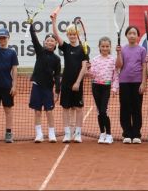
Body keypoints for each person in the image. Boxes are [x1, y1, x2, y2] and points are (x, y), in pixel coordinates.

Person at [51, 14, 88, 143]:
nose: (72, 36)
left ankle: (77, 133)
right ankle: (67, 133)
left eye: (74, 34)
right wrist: (54, 21)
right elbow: (55, 35)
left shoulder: (84, 49)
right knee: (65, 108)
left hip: (78, 84)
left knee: (78, 108)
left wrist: (78, 82)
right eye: (70, 34)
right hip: (65, 83)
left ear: (77, 35)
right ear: (68, 35)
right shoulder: (66, 47)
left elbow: (84, 68)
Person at [28, 25, 61, 143]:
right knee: (37, 111)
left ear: (55, 43)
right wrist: (31, 26)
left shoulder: (57, 59)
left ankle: (52, 134)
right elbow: (34, 39)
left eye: (52, 41)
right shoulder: (40, 52)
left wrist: (57, 91)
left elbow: (57, 75)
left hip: (48, 88)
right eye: (47, 40)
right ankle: (39, 134)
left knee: (49, 111)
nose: (50, 42)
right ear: (44, 43)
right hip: (37, 86)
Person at [116, 26, 147, 144]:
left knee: (136, 108)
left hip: (137, 82)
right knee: (125, 108)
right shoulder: (122, 49)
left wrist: (143, 83)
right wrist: (118, 53)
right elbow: (119, 65)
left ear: (138, 36)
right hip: (124, 82)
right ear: (126, 36)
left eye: (134, 33)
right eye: (130, 33)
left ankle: (136, 134)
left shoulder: (142, 50)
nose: (132, 35)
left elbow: (145, 67)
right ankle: (127, 134)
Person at [89, 36, 119, 144]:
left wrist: (114, 88)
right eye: (103, 46)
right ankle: (102, 133)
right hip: (95, 86)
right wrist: (89, 69)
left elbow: (115, 76)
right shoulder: (95, 59)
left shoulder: (113, 59)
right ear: (99, 47)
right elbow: (92, 75)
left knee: (103, 111)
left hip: (106, 87)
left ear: (110, 47)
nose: (105, 48)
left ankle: (109, 134)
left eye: (107, 46)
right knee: (98, 111)